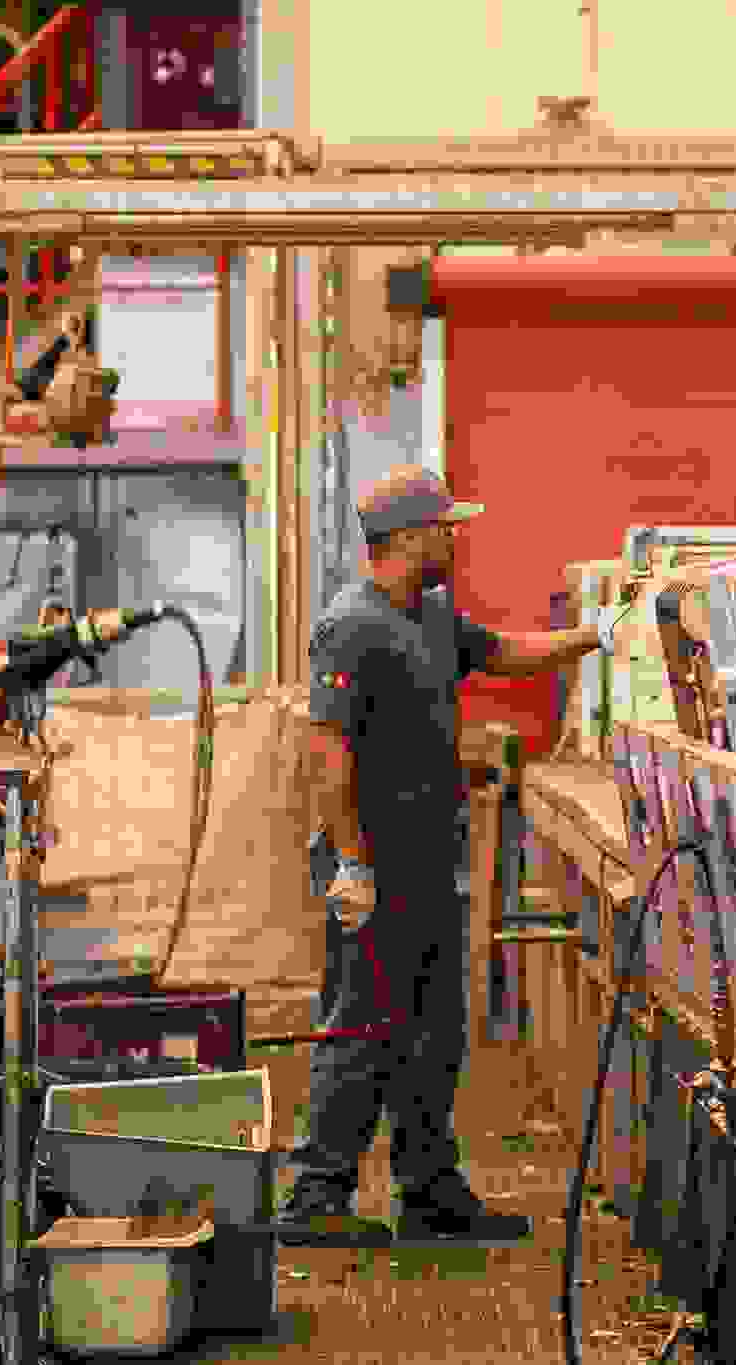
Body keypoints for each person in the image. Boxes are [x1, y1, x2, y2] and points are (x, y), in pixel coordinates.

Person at [275, 465, 611, 1244]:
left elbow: (505, 654)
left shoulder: (430, 617)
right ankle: (315, 1198)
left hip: (427, 864)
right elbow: (328, 755)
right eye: (444, 526)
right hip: (376, 869)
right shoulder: (351, 627)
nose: (457, 537)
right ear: (406, 538)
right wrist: (352, 864)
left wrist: (598, 635)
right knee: (363, 1027)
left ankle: (428, 1190)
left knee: (433, 1032)